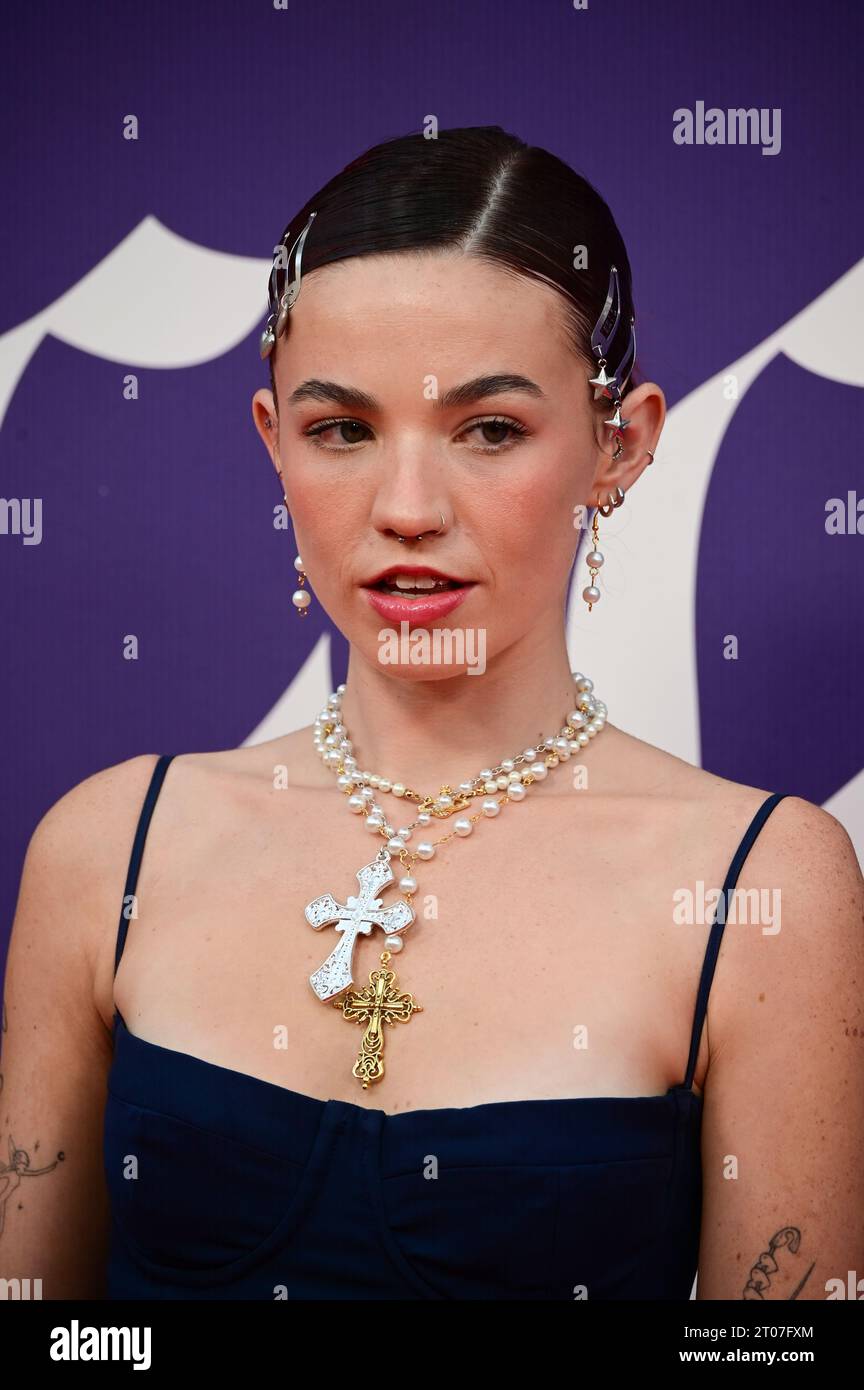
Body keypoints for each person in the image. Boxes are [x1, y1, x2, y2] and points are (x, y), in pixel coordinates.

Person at [1, 127, 861, 1301]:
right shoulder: (107, 850)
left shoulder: (766, 889)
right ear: (274, 441)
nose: (406, 508)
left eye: (490, 428)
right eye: (342, 429)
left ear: (622, 445)